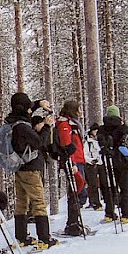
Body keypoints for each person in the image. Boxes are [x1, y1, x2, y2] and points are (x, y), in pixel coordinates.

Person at [4, 92, 57, 248]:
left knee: (21, 203)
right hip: (31, 168)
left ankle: (21, 237)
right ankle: (45, 238)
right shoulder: (22, 126)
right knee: (38, 202)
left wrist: (39, 103)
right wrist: (46, 127)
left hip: (19, 167)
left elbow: (27, 110)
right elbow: (40, 142)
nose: (30, 110)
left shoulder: (14, 121)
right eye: (28, 107)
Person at [97, 105, 128, 223]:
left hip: (107, 161)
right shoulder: (122, 127)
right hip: (122, 160)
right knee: (124, 187)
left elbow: (99, 141)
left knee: (110, 186)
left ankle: (109, 213)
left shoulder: (102, 128)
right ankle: (125, 214)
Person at [55, 100, 88, 236]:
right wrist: (72, 163)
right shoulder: (65, 124)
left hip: (78, 159)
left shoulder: (72, 123)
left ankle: (74, 222)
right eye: (78, 109)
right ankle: (72, 224)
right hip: (73, 161)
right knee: (76, 191)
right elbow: (66, 144)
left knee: (78, 191)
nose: (80, 111)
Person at [83, 123, 106, 211]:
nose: (96, 132)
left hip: (101, 163)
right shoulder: (88, 142)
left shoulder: (101, 140)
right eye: (94, 130)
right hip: (91, 165)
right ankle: (95, 203)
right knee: (93, 184)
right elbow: (84, 154)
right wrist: (91, 160)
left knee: (104, 182)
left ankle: (108, 200)